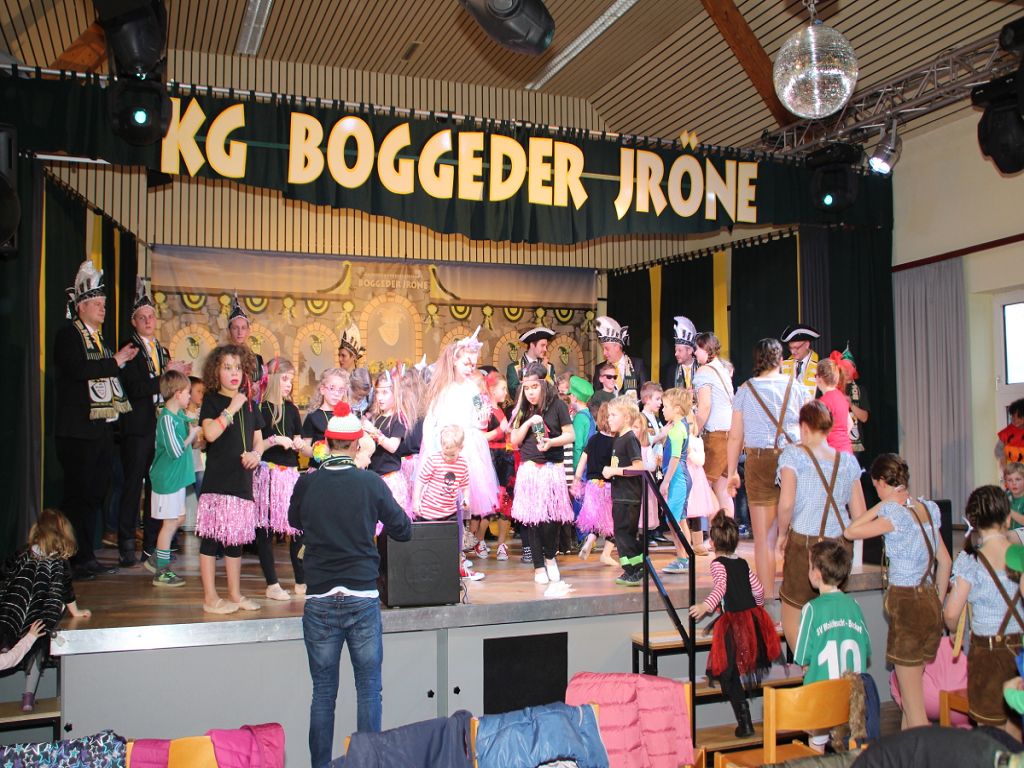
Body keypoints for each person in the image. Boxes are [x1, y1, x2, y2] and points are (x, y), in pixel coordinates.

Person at [287, 402, 412, 768]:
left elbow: (294, 520)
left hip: (320, 598)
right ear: (357, 444)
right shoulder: (370, 483)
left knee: (323, 694)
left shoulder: (308, 482)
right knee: (369, 689)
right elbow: (403, 529)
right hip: (362, 596)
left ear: (326, 442)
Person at [844, 454, 952, 730]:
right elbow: (945, 561)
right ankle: (909, 751)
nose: (876, 492)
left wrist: (883, 504)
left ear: (882, 482)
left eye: (875, 487)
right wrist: (937, 603)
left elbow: (851, 531)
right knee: (910, 699)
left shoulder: (894, 515)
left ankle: (927, 752)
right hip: (929, 600)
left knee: (915, 711)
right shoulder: (927, 509)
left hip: (906, 605)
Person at [54, 260, 136, 579]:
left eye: (104, 304)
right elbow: (78, 371)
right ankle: (72, 558)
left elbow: (106, 376)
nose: (103, 309)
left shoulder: (100, 340)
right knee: (77, 497)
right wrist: (115, 361)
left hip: (100, 431)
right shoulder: (68, 336)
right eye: (98, 304)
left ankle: (87, 555)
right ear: (82, 306)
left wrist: (118, 363)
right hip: (77, 431)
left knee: (93, 496)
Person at [775, 401, 867, 648]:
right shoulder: (847, 461)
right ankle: (832, 665)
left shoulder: (793, 456)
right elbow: (860, 514)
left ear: (804, 427)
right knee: (833, 614)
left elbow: (786, 503)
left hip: (805, 543)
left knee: (794, 612)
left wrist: (782, 535)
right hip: (839, 546)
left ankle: (808, 666)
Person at [727, 338, 807, 618]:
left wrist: (731, 472)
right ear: (780, 359)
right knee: (799, 533)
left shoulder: (745, 390)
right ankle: (798, 597)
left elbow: (735, 436)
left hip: (759, 460)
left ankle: (767, 602)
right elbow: (809, 429)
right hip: (793, 460)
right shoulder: (797, 387)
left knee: (764, 539)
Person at [689, 511, 781, 739]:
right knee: (735, 667)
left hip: (733, 622)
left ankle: (744, 720)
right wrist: (758, 610)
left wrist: (705, 606)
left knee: (726, 672)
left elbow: (720, 587)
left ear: (713, 543)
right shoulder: (742, 563)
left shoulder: (717, 564)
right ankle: (745, 719)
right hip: (751, 618)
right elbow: (758, 590)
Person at [117, 282, 189, 568]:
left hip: (160, 428)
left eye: (151, 316)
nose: (148, 321)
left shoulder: (162, 350)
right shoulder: (130, 349)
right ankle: (126, 543)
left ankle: (151, 544)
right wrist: (165, 376)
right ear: (134, 322)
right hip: (138, 428)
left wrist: (178, 378)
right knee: (133, 485)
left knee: (157, 486)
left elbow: (168, 388)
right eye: (142, 317)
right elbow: (134, 388)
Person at [944, 486, 1023, 738]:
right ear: (1007, 519)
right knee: (1016, 729)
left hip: (987, 654)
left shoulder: (971, 562)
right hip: (1020, 652)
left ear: (975, 523)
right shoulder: (1020, 556)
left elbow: (951, 614)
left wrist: (954, 631)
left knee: (990, 734)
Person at [0, 509, 91, 713]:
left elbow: (4, 572)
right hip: (39, 618)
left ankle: (6, 645)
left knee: (8, 634)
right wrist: (76, 612)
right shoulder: (59, 562)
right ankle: (28, 697)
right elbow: (66, 591)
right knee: (37, 652)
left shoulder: (23, 552)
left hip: (12, 613)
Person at [197, 344, 265, 615]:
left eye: (238, 367)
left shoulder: (251, 405)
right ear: (216, 372)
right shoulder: (212, 400)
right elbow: (210, 434)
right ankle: (210, 597)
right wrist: (231, 408)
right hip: (218, 483)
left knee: (235, 540)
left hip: (241, 482)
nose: (234, 373)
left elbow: (259, 440)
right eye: (227, 368)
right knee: (211, 538)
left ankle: (235, 594)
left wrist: (256, 455)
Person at [421, 327, 500, 521]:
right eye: (466, 363)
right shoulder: (443, 388)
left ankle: (461, 535)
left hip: (467, 447)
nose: (470, 368)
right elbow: (431, 421)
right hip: (444, 445)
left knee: (464, 496)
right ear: (454, 361)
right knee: (444, 493)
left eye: (473, 365)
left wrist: (482, 420)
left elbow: (478, 420)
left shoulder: (473, 389)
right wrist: (432, 450)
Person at [510, 362, 575, 587]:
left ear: (543, 385)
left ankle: (550, 557)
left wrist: (551, 442)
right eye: (526, 388)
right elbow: (514, 440)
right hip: (530, 470)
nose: (530, 392)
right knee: (533, 520)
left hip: (552, 468)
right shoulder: (522, 408)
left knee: (552, 520)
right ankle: (538, 565)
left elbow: (570, 435)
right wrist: (529, 421)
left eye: (534, 387)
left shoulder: (557, 405)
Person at [254, 358, 306, 600]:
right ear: (273, 379)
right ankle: (272, 584)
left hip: (290, 475)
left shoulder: (292, 410)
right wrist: (274, 440)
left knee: (297, 528)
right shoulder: (260, 409)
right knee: (265, 529)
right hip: (268, 473)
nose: (288, 384)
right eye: (284, 379)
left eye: (291, 380)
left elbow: (300, 440)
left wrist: (299, 443)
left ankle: (301, 580)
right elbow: (255, 447)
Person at [149, 370, 201, 587]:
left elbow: (191, 418)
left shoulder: (178, 415)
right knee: (170, 523)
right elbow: (175, 450)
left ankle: (156, 558)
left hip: (177, 480)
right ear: (178, 394)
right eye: (188, 392)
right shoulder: (167, 419)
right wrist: (192, 435)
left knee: (178, 519)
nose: (190, 396)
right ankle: (161, 570)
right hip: (168, 480)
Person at [793, 539, 871, 684]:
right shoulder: (854, 606)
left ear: (816, 574)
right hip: (853, 693)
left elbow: (802, 657)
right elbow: (866, 647)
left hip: (821, 693)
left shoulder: (811, 609)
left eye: (809, 566)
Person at [412, 425, 482, 581]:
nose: (448, 458)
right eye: (445, 453)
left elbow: (465, 485)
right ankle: (427, 574)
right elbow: (420, 481)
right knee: (428, 545)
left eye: (452, 454)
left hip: (449, 513)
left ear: (461, 448)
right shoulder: (434, 460)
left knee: (450, 545)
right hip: (429, 513)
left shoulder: (462, 464)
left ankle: (449, 574)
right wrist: (416, 501)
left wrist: (466, 498)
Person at [601, 396, 646, 586]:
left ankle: (639, 568)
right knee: (620, 534)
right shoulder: (619, 439)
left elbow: (639, 467)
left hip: (629, 496)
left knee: (625, 534)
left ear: (626, 417)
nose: (609, 419)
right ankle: (630, 569)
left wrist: (614, 471)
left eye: (613, 415)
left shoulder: (630, 439)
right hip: (620, 495)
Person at [693, 331, 735, 516]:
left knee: (703, 486)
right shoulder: (722, 370)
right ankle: (727, 532)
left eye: (696, 349)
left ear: (705, 348)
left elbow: (705, 406)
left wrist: (693, 431)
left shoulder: (703, 371)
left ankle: (716, 530)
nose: (694, 353)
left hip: (716, 436)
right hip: (730, 434)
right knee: (723, 489)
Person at [574, 402, 618, 567]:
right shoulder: (616, 442)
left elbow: (583, 460)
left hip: (593, 485)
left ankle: (590, 540)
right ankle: (606, 554)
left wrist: (577, 479)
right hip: (609, 486)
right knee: (613, 521)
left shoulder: (593, 439)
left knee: (598, 519)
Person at [659, 388, 695, 574]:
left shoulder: (677, 429)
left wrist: (666, 482)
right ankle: (684, 557)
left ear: (677, 409)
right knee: (678, 519)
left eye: (665, 406)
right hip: (678, 477)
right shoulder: (680, 426)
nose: (662, 409)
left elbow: (675, 457)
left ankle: (684, 557)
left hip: (678, 477)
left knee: (673, 519)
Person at [485, 372, 514, 560]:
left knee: (505, 502)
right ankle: (478, 540)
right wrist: (499, 430)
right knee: (488, 504)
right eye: (502, 388)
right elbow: (480, 436)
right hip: (491, 458)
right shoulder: (485, 411)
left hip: (505, 458)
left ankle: (501, 543)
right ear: (492, 390)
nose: (505, 392)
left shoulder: (500, 410)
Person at [300, 368, 351, 467]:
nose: (336, 393)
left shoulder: (346, 416)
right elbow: (304, 449)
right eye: (332, 388)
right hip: (319, 469)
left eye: (341, 390)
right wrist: (317, 452)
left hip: (341, 468)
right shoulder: (313, 416)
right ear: (322, 389)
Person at [591, 316, 647, 398]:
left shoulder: (637, 365)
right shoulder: (599, 369)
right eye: (603, 349)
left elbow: (645, 395)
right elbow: (596, 398)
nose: (604, 353)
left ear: (617, 347)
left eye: (607, 349)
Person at [816, 358, 853, 454]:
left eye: (815, 375)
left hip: (831, 453)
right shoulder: (841, 397)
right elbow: (850, 424)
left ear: (819, 378)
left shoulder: (822, 402)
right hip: (847, 451)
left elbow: (819, 433)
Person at [506, 326, 556, 397]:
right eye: (542, 345)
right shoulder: (513, 368)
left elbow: (553, 391)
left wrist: (544, 371)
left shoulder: (549, 366)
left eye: (546, 346)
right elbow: (514, 394)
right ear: (532, 345)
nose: (545, 349)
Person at [226, 293, 264, 385]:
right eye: (235, 328)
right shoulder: (222, 358)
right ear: (229, 331)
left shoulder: (257, 359)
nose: (240, 332)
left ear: (248, 331)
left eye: (243, 328)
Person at [780, 324, 820, 399]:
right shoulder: (784, 364)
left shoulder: (820, 364)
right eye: (790, 348)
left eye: (796, 348)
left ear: (807, 344)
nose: (793, 352)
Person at [661, 315, 698, 394]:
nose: (676, 354)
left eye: (680, 350)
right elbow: (668, 395)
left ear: (689, 351)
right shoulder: (672, 371)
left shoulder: (701, 368)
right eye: (675, 350)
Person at [999, 399, 1024, 469]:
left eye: (1019, 417)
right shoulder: (1006, 433)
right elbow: (999, 450)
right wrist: (1004, 466)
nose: (1015, 420)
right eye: (1013, 416)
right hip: (1012, 469)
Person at [1007, 462, 1024, 542]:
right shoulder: (1005, 496)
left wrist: (1008, 510)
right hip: (1011, 534)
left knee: (1008, 536)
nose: (1014, 483)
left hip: (1021, 535)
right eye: (1010, 480)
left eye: (1018, 479)